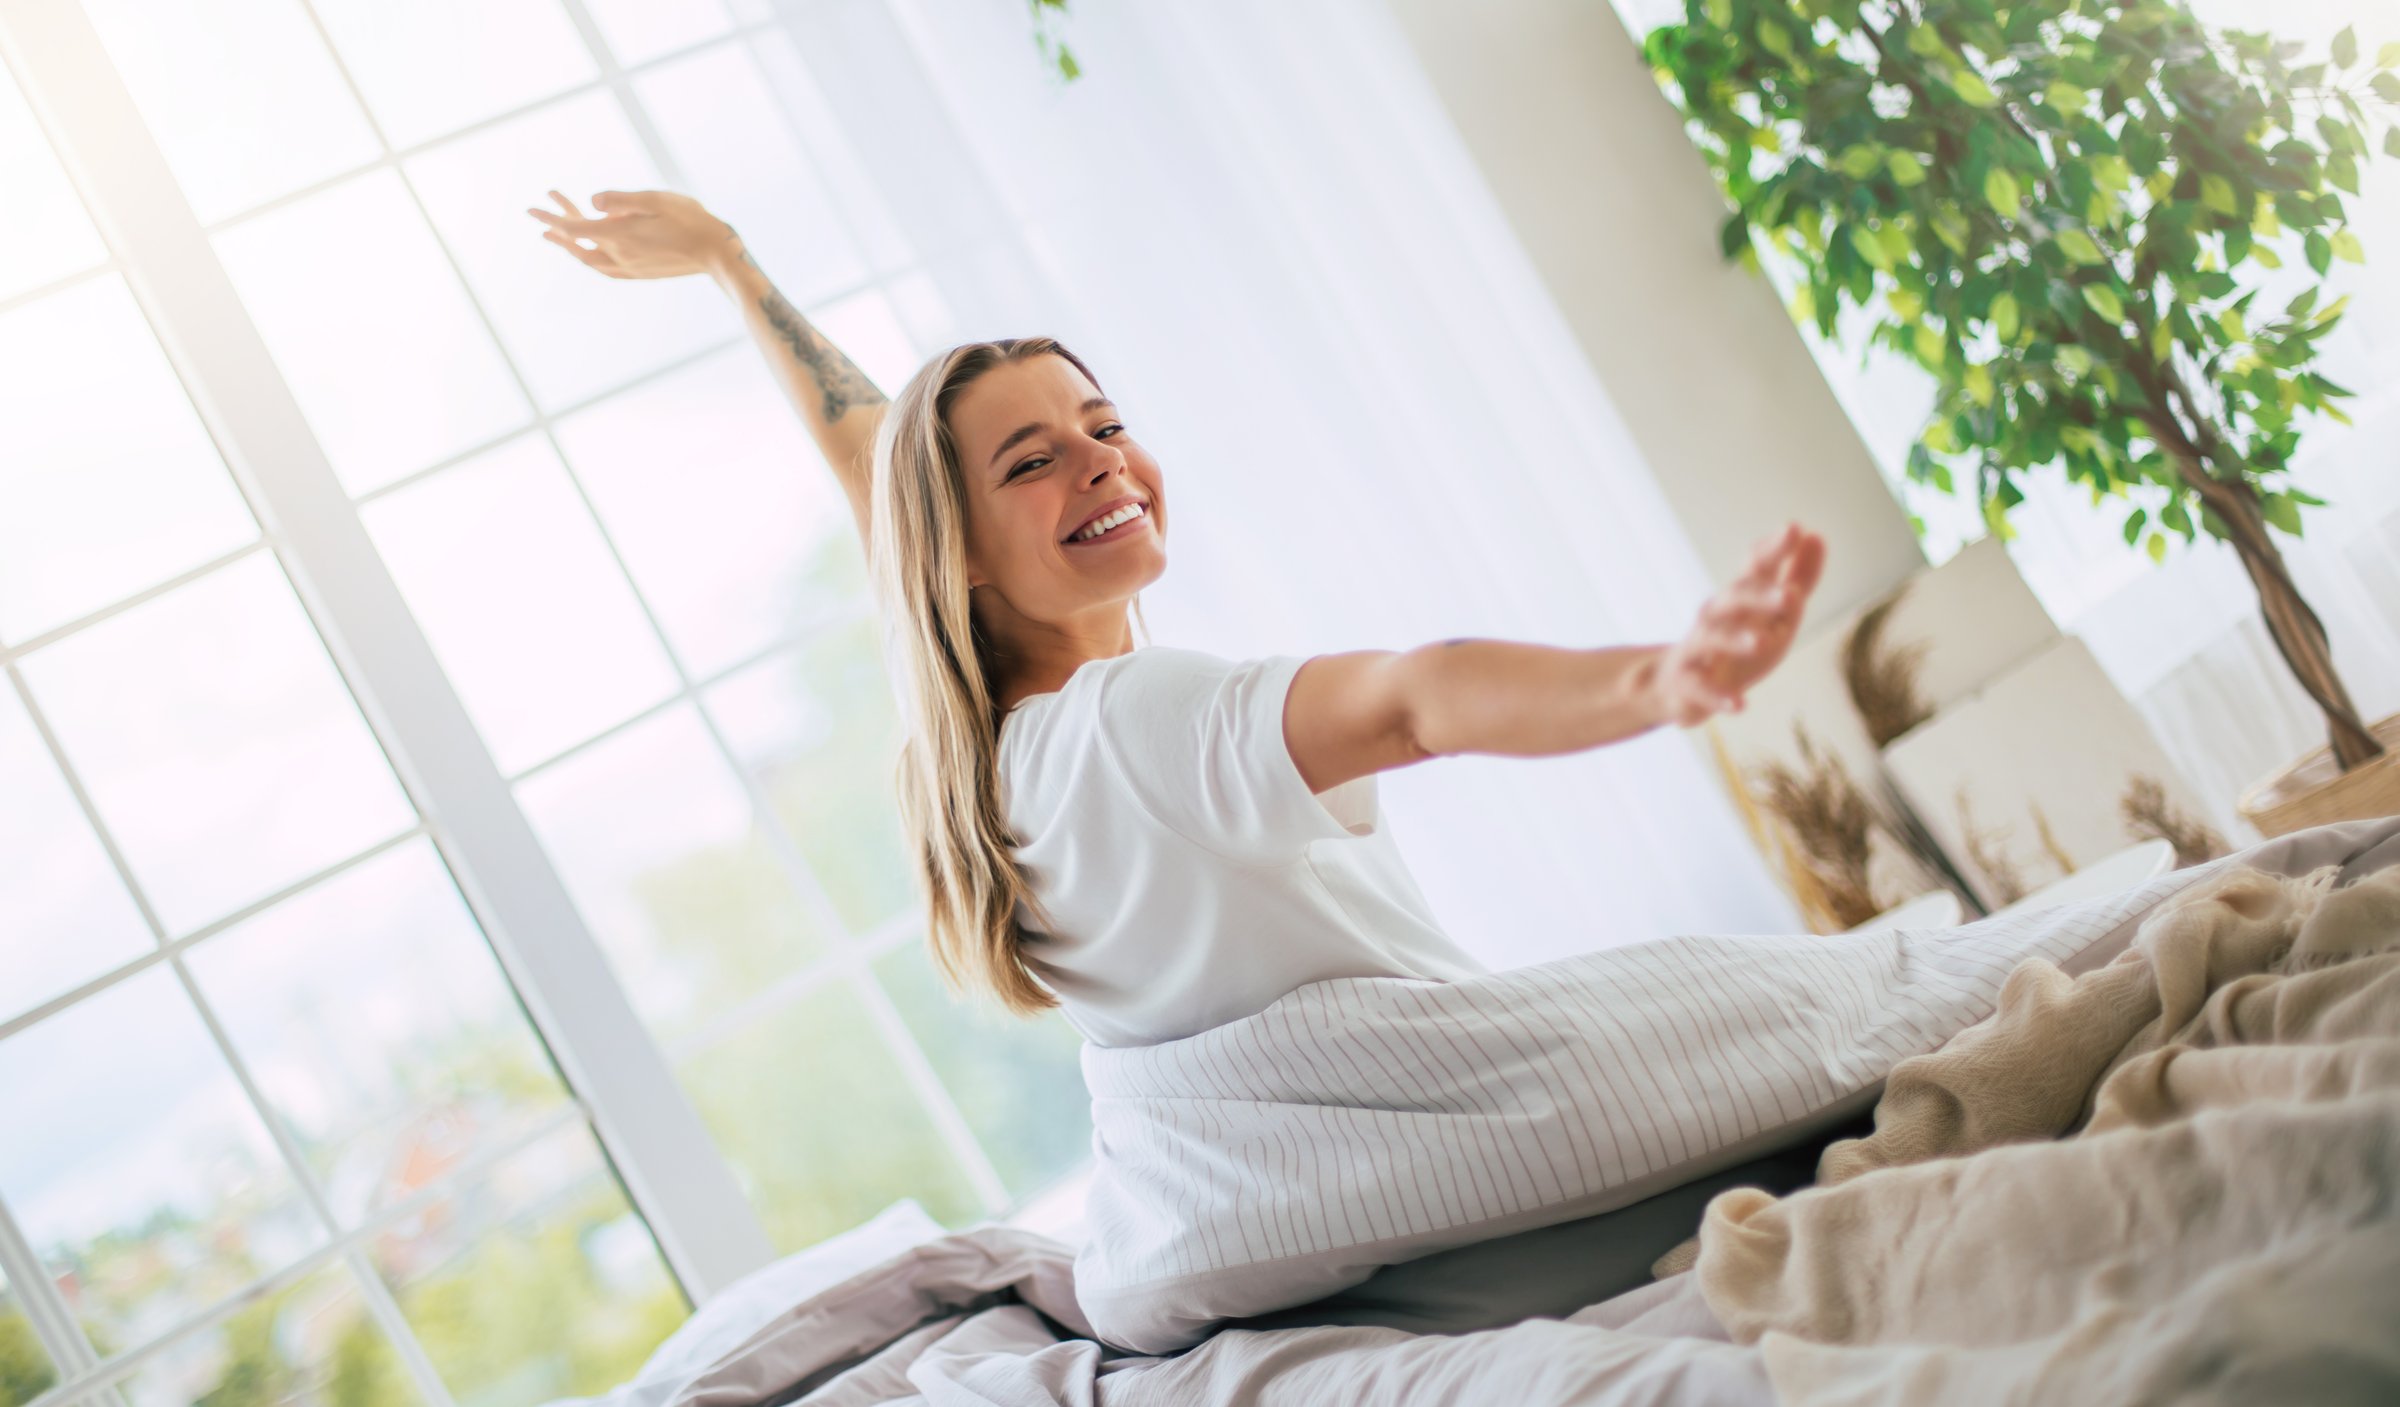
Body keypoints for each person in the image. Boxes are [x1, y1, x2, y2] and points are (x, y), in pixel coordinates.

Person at [529, 188, 1826, 1048]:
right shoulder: (1132, 724)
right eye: (1033, 463)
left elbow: (882, 458)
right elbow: (1414, 696)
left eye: (1105, 426)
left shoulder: (1007, 754)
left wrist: (733, 269)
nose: (1100, 464)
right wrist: (1660, 681)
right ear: (957, 553)